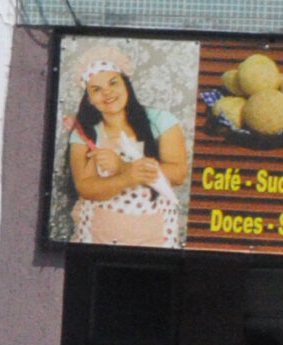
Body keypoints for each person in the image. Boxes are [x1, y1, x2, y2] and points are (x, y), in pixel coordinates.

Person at [65, 45, 190, 248]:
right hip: (99, 239)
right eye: (96, 90)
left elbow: (178, 174)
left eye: (113, 83)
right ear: (88, 98)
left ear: (126, 85)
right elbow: (85, 188)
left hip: (155, 238)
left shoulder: (161, 121)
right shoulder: (85, 133)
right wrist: (127, 178)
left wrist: (123, 167)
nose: (107, 93)